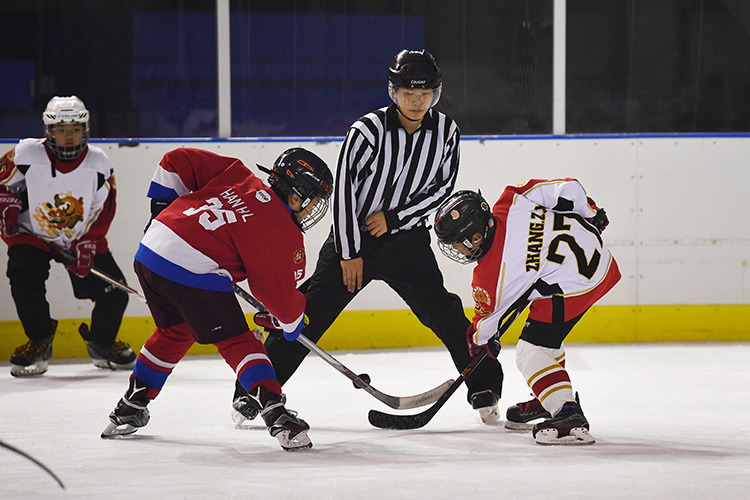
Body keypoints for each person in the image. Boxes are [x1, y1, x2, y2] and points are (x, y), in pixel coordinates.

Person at [232, 49, 505, 425]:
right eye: (409, 93)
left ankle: (484, 385)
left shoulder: (446, 132)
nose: (416, 101)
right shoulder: (366, 131)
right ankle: (254, 390)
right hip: (354, 239)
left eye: (424, 94)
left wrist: (394, 219)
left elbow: (442, 188)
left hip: (407, 241)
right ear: (394, 92)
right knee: (305, 314)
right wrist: (347, 252)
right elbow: (344, 192)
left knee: (442, 310)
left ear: (435, 94)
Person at [101, 147, 333, 451]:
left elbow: (177, 160)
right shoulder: (280, 228)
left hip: (150, 254)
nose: (311, 209)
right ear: (296, 193)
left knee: (175, 331)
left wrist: (161, 212)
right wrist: (290, 322)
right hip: (190, 268)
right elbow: (276, 297)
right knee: (238, 341)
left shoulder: (238, 176)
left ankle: (130, 406)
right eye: (312, 200)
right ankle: (277, 415)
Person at [433, 179, 621, 445]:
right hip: (596, 256)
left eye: (457, 244)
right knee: (545, 335)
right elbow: (570, 189)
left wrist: (477, 346)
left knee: (531, 350)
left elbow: (482, 328)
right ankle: (549, 396)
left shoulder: (490, 277)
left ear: (475, 235)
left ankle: (567, 414)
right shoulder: (511, 199)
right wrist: (591, 214)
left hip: (576, 285)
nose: (457, 251)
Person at [0, 95, 134, 377]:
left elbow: (106, 208)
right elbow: (2, 185)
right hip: (32, 235)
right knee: (23, 278)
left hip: (79, 236)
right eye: (61, 131)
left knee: (116, 292)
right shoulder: (26, 154)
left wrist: (88, 241)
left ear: (84, 131)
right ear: (49, 132)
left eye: (74, 130)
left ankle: (101, 342)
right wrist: (7, 205)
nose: (68, 138)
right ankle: (39, 340)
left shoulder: (98, 163)